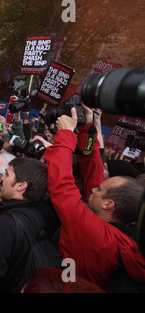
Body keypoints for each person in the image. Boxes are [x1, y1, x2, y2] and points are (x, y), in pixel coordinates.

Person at [44, 106, 145, 289]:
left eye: (99, 190)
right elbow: (93, 170)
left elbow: (62, 186)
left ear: (108, 204)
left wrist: (66, 134)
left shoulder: (95, 234)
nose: (93, 189)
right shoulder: (122, 235)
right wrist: (88, 127)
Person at [0, 157, 61, 292]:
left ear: (21, 186)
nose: (0, 179)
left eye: (7, 174)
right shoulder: (36, 214)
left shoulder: (7, 223)